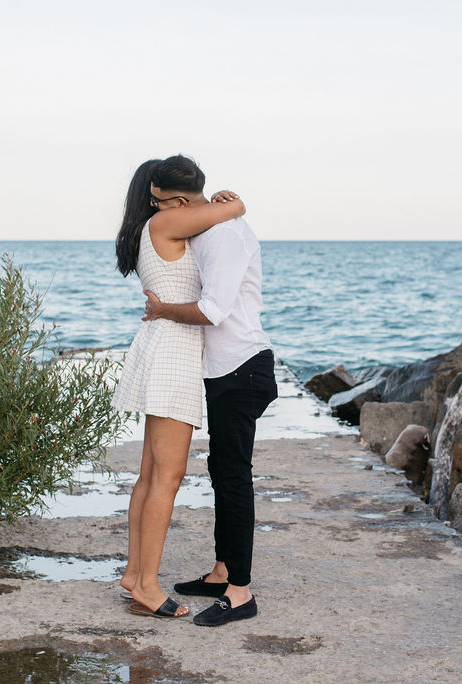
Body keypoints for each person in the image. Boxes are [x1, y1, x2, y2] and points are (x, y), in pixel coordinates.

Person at [112, 156, 245, 619]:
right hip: (173, 354)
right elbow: (234, 209)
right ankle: (147, 586)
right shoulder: (168, 221)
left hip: (162, 348)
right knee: (165, 478)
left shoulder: (154, 225)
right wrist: (225, 199)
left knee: (150, 475)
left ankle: (135, 573)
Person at [141, 179, 277, 627]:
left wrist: (163, 311)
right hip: (225, 371)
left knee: (234, 478)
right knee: (222, 471)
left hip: (243, 367)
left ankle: (239, 594)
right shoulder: (214, 225)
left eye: (159, 204)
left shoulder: (222, 233)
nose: (156, 212)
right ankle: (222, 572)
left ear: (179, 202)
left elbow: (213, 310)